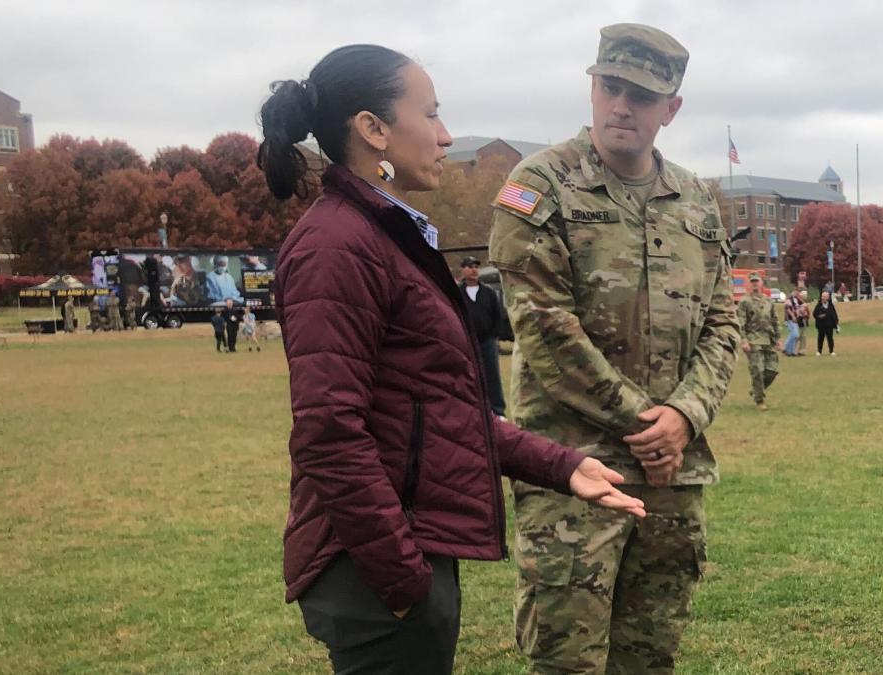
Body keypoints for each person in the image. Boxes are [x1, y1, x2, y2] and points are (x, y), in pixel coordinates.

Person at [256, 44, 646, 675]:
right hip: (376, 571)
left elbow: (438, 409)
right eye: (431, 115)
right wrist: (402, 578)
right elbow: (328, 433)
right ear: (373, 130)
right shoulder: (337, 245)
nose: (444, 137)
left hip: (402, 556)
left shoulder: (382, 236)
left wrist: (564, 466)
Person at [486, 23, 740, 674]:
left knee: (650, 656)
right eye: (611, 87)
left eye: (642, 95)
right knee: (566, 659)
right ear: (592, 87)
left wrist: (683, 416)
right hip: (572, 469)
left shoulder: (696, 205)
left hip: (671, 474)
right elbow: (543, 325)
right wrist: (641, 421)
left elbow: (722, 321)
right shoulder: (541, 186)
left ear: (671, 110)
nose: (622, 105)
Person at [458, 255, 514, 417]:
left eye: (476, 266)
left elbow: (497, 315)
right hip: (467, 342)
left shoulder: (488, 292)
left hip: (487, 341)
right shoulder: (458, 292)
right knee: (469, 376)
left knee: (492, 376)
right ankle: (472, 410)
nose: (474, 269)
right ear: (463, 270)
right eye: (470, 266)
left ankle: (497, 410)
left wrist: (495, 334)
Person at [738, 276, 783, 410]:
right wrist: (744, 340)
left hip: (768, 339)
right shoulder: (745, 301)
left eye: (757, 282)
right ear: (749, 284)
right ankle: (760, 400)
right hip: (753, 339)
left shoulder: (768, 301)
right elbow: (740, 321)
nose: (755, 285)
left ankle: (756, 389)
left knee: (772, 370)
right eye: (752, 282)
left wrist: (778, 338)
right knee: (757, 370)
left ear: (761, 283)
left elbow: (775, 320)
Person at [813, 291, 839, 356]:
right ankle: (819, 351)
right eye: (823, 296)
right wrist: (819, 316)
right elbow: (814, 314)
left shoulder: (830, 305)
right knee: (820, 338)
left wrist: (836, 322)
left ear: (828, 297)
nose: (824, 298)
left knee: (830, 338)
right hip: (821, 325)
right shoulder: (819, 305)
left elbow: (834, 314)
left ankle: (831, 351)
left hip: (829, 325)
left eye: (826, 296)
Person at [783, 288, 806, 356]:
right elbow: (787, 309)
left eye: (798, 292)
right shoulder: (789, 300)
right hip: (790, 319)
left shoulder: (796, 299)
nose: (797, 293)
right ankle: (786, 347)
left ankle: (791, 351)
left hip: (796, 319)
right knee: (795, 334)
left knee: (795, 335)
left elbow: (803, 305)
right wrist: (793, 316)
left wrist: (802, 312)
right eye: (795, 292)